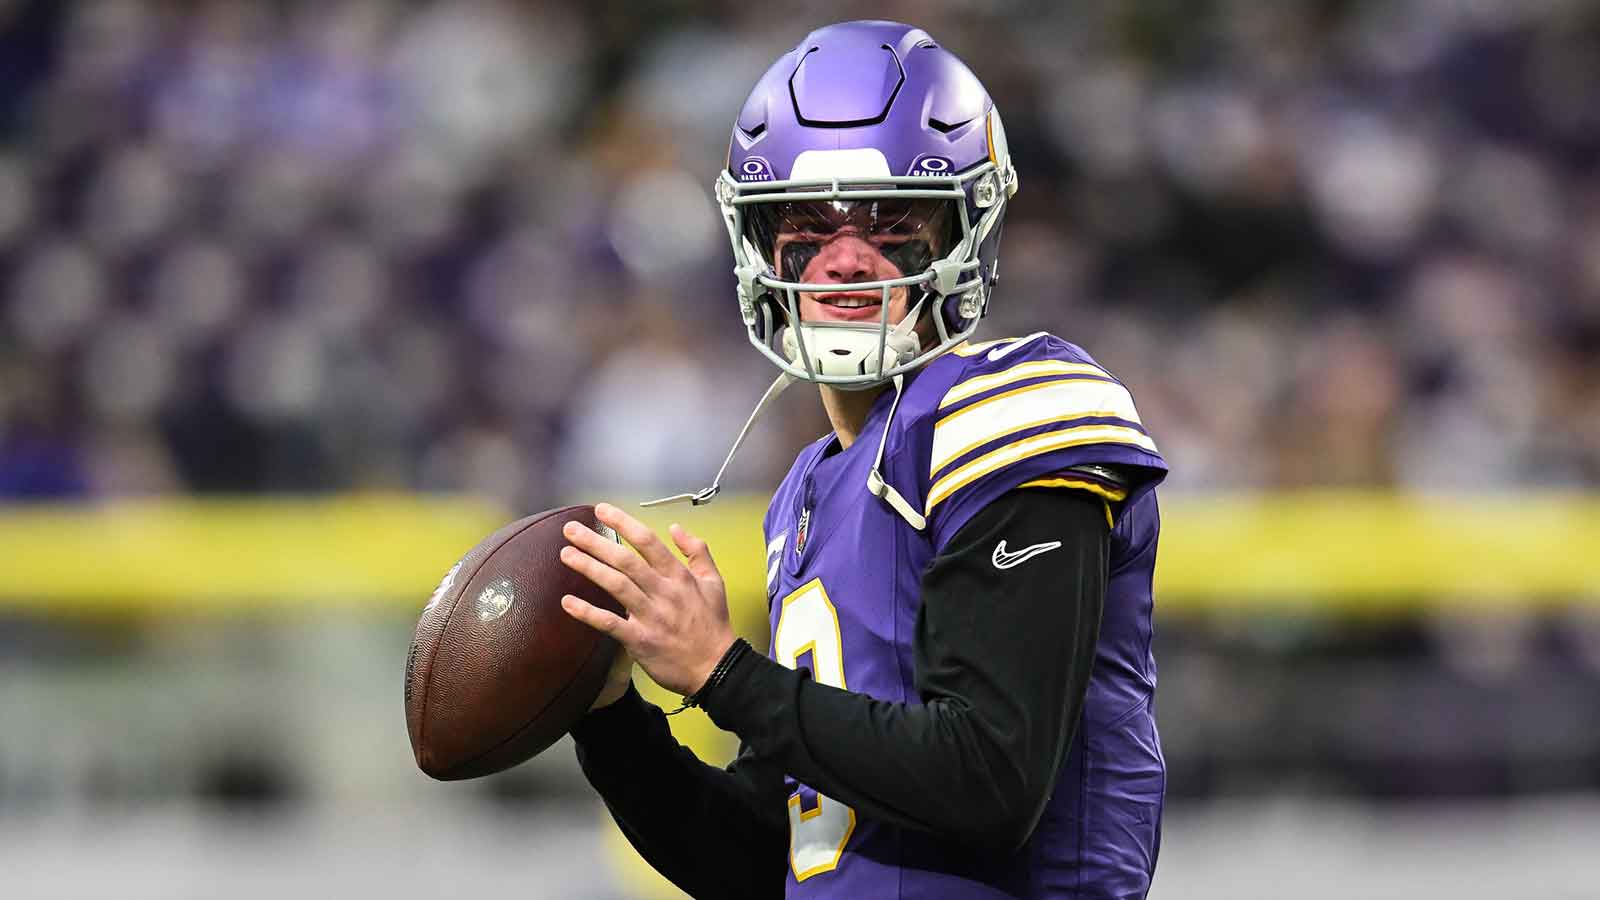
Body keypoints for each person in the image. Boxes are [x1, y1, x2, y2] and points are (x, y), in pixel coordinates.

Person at [556, 20, 1168, 900]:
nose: (846, 260)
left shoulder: (1020, 406)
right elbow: (770, 862)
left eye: (890, 220)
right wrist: (609, 718)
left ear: (963, 229)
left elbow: (991, 775)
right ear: (758, 240)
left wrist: (724, 673)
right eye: (807, 222)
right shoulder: (807, 491)